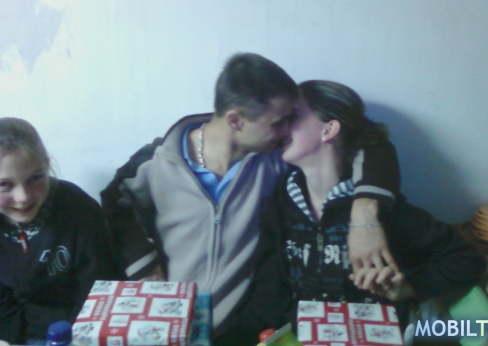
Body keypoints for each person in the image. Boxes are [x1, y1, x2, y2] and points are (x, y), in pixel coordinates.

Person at [100, 53, 401, 335]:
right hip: (168, 325)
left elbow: (371, 144)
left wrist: (365, 213)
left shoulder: (276, 159)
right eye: (278, 122)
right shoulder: (159, 162)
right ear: (236, 121)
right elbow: (115, 204)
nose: (287, 130)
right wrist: (146, 268)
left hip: (240, 327)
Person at [216, 80, 486, 345]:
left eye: (294, 116)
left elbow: (465, 260)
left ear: (329, 129)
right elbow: (269, 292)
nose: (281, 126)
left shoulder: (380, 210)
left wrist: (409, 288)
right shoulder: (281, 204)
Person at [0, 118, 120, 344]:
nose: (23, 197)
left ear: (47, 166)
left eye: (36, 178)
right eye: (4, 184)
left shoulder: (77, 208)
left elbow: (99, 289)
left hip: (82, 329)